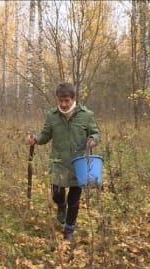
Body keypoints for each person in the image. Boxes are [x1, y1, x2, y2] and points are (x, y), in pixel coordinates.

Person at [27, 82, 100, 240]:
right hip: (58, 162)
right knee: (57, 195)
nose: (63, 104)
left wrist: (93, 139)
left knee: (74, 199)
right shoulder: (52, 116)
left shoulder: (86, 115)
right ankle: (61, 206)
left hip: (78, 164)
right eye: (60, 100)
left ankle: (69, 230)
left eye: (67, 100)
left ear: (73, 99)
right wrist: (36, 140)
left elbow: (95, 133)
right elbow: (45, 135)